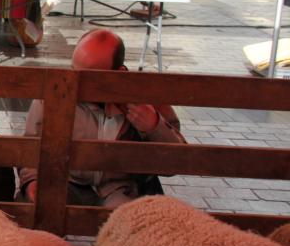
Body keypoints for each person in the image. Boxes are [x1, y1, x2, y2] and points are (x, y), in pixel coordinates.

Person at [18, 29, 186, 208]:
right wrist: (32, 181)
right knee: (31, 207)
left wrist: (154, 126)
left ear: (118, 73)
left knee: (128, 219)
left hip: (119, 188)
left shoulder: (144, 96)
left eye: (90, 76)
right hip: (67, 182)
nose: (77, 82)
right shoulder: (58, 90)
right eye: (74, 70)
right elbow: (30, 146)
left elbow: (177, 163)